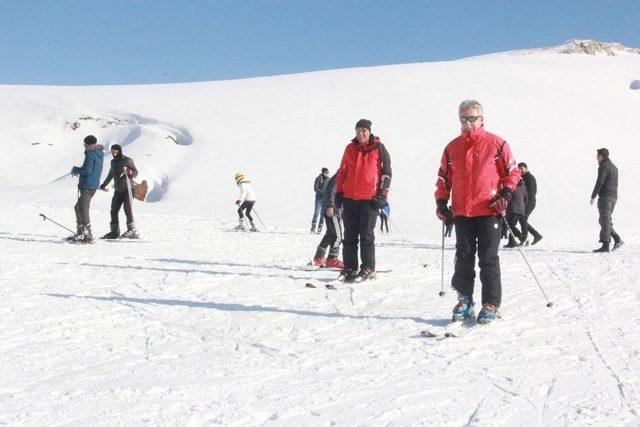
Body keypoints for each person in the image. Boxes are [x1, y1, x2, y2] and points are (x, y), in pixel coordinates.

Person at [435, 100, 521, 324]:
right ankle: (465, 300)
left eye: (472, 118)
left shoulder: (496, 144)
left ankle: (491, 303)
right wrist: (442, 202)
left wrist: (506, 195)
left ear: (481, 119)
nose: (468, 123)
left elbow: (513, 173)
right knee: (463, 256)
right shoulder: (452, 148)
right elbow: (443, 178)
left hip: (489, 210)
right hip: (463, 211)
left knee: (488, 258)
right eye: (463, 119)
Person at [335, 119, 392, 282]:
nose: (360, 133)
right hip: (350, 198)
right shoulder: (350, 148)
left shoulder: (379, 148)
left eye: (363, 130)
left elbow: (386, 173)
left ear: (369, 131)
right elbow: (343, 171)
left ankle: (368, 267)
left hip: (369, 199)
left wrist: (383, 195)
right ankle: (350, 268)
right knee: (349, 235)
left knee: (366, 234)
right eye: (358, 130)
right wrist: (339, 193)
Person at [68, 135, 104, 242]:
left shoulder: (90, 153)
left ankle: (86, 234)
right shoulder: (99, 153)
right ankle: (81, 232)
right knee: (79, 207)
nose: (84, 146)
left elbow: (87, 170)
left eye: (85, 144)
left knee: (82, 207)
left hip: (87, 184)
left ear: (88, 144)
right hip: (93, 184)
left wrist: (76, 170)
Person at [99, 144, 139, 239]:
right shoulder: (113, 162)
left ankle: (131, 230)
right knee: (113, 210)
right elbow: (111, 174)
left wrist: (129, 171)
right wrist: (103, 185)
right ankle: (114, 232)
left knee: (127, 208)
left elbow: (136, 172)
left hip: (128, 188)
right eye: (112, 152)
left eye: (116, 152)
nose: (114, 154)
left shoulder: (127, 160)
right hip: (118, 189)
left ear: (119, 151)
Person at [590, 148, 623, 252]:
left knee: (604, 221)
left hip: (605, 198)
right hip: (613, 198)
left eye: (597, 156)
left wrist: (593, 196)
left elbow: (600, 182)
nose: (596, 158)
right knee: (604, 220)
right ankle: (617, 239)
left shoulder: (604, 166)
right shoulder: (614, 167)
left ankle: (605, 245)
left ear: (601, 156)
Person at [311, 173, 345, 268]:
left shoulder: (345, 174)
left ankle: (318, 257)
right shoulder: (342, 173)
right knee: (338, 235)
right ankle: (332, 259)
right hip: (333, 209)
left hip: (332, 208)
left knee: (330, 234)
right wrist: (331, 205)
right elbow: (331, 188)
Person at [518, 162, 543, 245]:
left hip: (529, 201)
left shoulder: (529, 178)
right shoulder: (522, 177)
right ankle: (535, 235)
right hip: (525, 202)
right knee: (522, 219)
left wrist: (525, 201)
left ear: (526, 168)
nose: (520, 170)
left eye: (522, 168)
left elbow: (531, 192)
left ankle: (526, 238)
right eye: (519, 169)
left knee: (523, 219)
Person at [504, 178, 528, 248]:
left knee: (510, 226)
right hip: (521, 209)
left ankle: (521, 237)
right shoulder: (523, 187)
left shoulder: (512, 186)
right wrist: (523, 206)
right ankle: (512, 242)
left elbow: (508, 197)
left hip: (513, 209)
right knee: (512, 225)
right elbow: (526, 198)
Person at [311, 168, 330, 233]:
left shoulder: (328, 180)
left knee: (322, 214)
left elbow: (329, 189)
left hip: (325, 199)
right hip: (319, 198)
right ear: (323, 172)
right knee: (316, 212)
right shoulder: (319, 179)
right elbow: (315, 188)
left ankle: (320, 228)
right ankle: (313, 227)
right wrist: (322, 192)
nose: (327, 173)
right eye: (326, 172)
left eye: (328, 172)